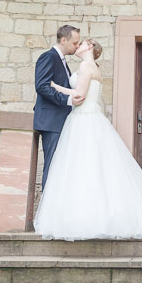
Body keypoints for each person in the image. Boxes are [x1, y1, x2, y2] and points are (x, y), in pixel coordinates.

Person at [33, 38, 142, 240]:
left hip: (83, 120)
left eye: (82, 44)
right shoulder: (91, 67)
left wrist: (55, 86)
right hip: (85, 118)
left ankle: (87, 218)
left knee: (84, 168)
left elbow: (79, 95)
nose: (77, 47)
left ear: (90, 48)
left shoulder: (86, 66)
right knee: (92, 168)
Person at [33, 25, 85, 189]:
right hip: (51, 121)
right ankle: (45, 212)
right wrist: (68, 100)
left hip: (61, 121)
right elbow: (42, 86)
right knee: (52, 165)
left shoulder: (62, 62)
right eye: (75, 43)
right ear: (63, 40)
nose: (77, 47)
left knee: (60, 167)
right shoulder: (48, 57)